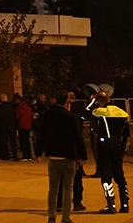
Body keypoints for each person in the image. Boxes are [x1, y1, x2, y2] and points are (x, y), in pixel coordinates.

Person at [39, 90, 88, 223]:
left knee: (53, 189)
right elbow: (78, 137)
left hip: (53, 156)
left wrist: (39, 152)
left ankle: (51, 216)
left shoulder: (48, 115)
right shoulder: (71, 117)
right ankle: (66, 217)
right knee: (68, 188)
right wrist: (83, 156)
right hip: (68, 156)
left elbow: (42, 133)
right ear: (66, 100)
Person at [87, 91, 129, 214]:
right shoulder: (120, 112)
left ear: (99, 101)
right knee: (119, 175)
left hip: (105, 145)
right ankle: (125, 203)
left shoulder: (101, 111)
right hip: (117, 145)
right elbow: (126, 133)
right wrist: (123, 147)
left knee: (106, 175)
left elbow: (84, 115)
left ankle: (111, 204)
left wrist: (92, 102)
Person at [15, 94, 34, 160]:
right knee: (27, 141)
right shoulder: (28, 108)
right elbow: (32, 116)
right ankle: (29, 155)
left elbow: (17, 117)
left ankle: (25, 155)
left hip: (21, 126)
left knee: (23, 141)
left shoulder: (18, 108)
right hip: (28, 126)